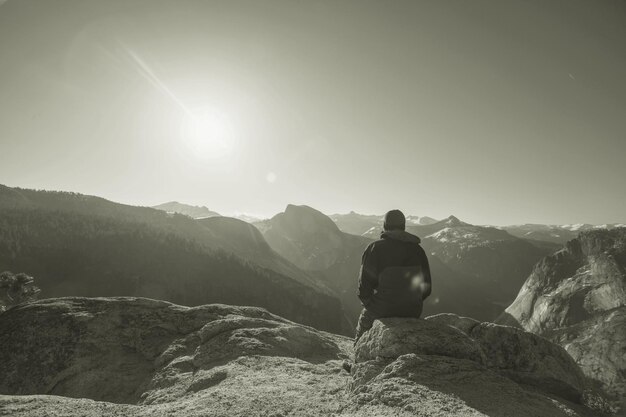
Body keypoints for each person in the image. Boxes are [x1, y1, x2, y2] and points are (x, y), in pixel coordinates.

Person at [355, 209, 432, 342]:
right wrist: (410, 301)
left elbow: (364, 287)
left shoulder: (375, 248)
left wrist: (372, 304)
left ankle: (358, 354)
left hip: (381, 309)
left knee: (363, 329)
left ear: (385, 226)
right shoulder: (418, 250)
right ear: (403, 226)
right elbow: (427, 287)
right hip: (413, 310)